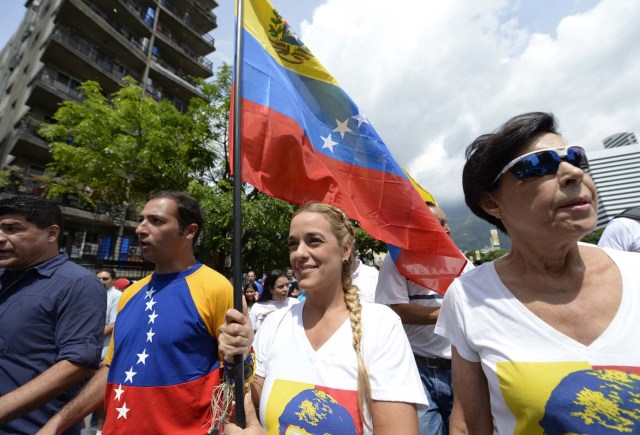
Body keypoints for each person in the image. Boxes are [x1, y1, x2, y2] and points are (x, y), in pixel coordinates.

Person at [435, 112, 640, 434]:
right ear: (491, 202)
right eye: (538, 164)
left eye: (576, 158)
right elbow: (470, 423)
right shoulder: (470, 298)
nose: (573, 172)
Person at [40, 191, 253, 434]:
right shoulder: (131, 294)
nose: (141, 228)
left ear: (189, 231)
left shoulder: (216, 288)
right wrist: (57, 423)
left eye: (156, 221)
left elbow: (236, 377)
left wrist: (242, 356)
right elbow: (111, 370)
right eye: (142, 219)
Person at [221, 203, 428, 434]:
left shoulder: (380, 325)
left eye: (314, 241)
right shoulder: (274, 325)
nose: (299, 253)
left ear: (346, 250)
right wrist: (238, 355)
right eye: (292, 244)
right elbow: (254, 400)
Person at [0, 195, 105, 434]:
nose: (0, 238)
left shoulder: (78, 284)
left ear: (51, 233)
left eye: (13, 229)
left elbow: (77, 363)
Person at [375, 201, 472, 435]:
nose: (448, 229)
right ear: (421, 227)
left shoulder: (461, 262)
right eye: (440, 224)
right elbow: (395, 310)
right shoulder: (397, 260)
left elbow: (473, 309)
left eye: (447, 223)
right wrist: (450, 313)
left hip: (462, 370)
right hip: (417, 371)